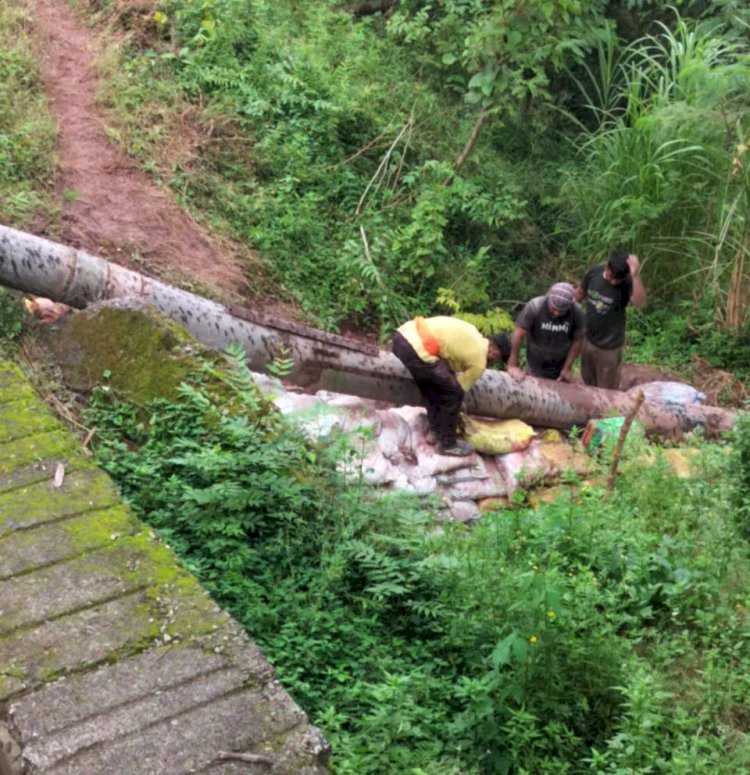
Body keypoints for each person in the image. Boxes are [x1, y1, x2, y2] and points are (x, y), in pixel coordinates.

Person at [392, 316, 510, 456]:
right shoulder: (479, 361)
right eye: (496, 360)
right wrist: (457, 408)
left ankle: (435, 430)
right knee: (453, 394)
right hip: (416, 350)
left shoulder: (473, 334)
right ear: (494, 352)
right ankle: (448, 444)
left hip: (402, 337)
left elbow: (446, 361)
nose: (493, 362)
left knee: (435, 386)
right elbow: (458, 389)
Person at [575, 250, 647, 389]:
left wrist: (635, 275)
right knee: (587, 381)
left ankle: (603, 411)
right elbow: (579, 294)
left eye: (617, 280)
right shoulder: (594, 272)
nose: (613, 282)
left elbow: (640, 303)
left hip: (609, 348)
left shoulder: (627, 282)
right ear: (607, 266)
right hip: (588, 340)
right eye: (611, 277)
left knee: (606, 388)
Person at [506, 282, 584, 383]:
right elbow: (518, 334)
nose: (557, 313)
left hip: (560, 365)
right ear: (549, 297)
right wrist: (512, 365)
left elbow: (578, 340)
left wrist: (567, 368)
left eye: (561, 311)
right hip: (535, 363)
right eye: (554, 308)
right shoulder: (535, 306)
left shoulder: (577, 312)